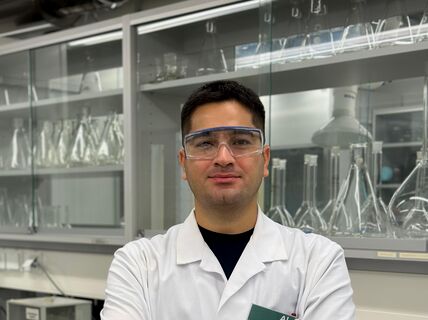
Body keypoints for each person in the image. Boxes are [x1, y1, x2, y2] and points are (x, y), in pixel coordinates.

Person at [101, 80, 356, 320]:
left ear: (265, 159)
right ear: (183, 163)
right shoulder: (138, 264)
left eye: (241, 141)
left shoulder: (318, 261)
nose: (224, 157)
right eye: (205, 143)